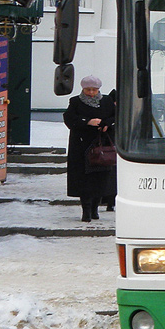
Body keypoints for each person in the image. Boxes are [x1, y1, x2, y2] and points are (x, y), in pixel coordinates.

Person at [63, 75, 116, 223]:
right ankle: (86, 210)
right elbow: (69, 118)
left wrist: (107, 123)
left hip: (102, 145)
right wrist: (87, 122)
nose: (91, 93)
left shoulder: (107, 101)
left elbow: (115, 116)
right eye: (88, 90)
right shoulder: (75, 102)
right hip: (82, 146)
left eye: (94, 89)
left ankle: (95, 209)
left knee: (100, 178)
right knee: (84, 180)